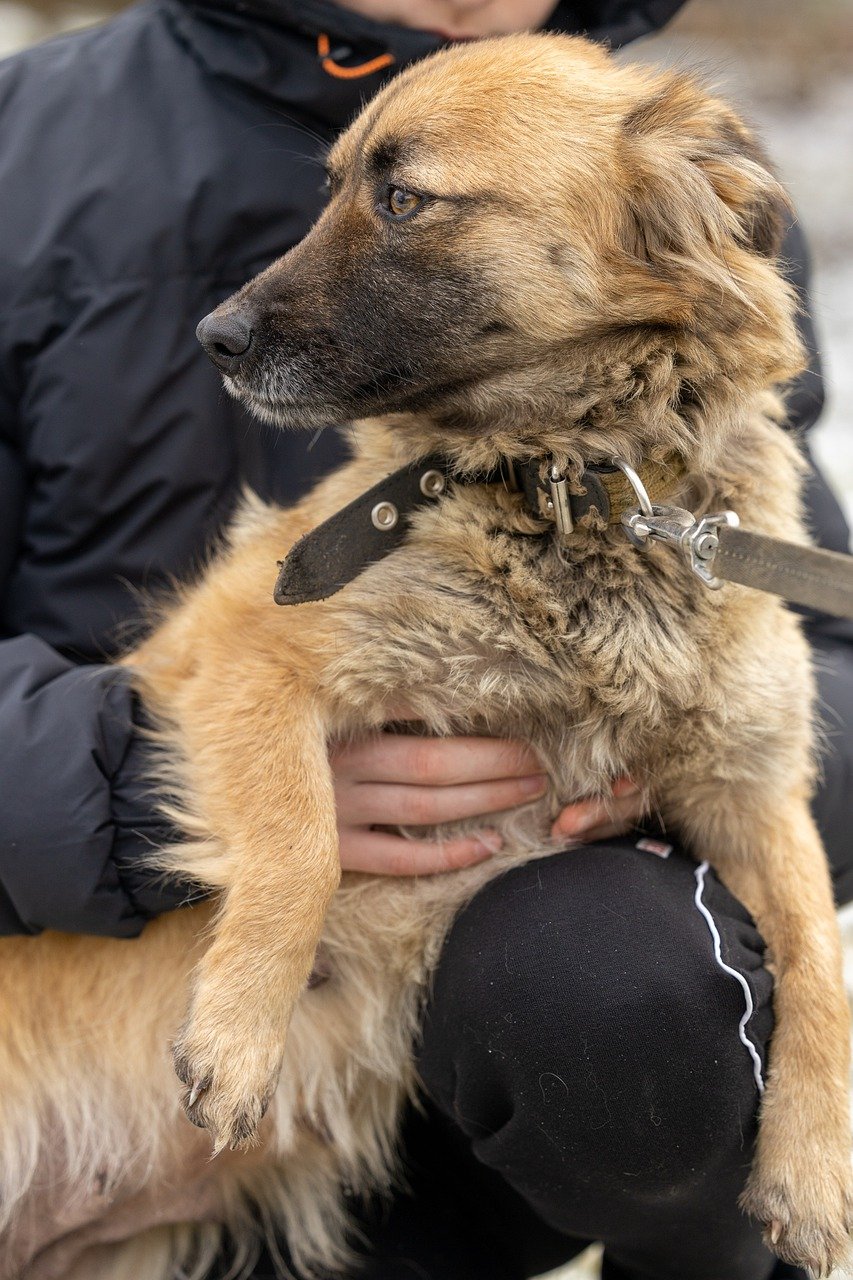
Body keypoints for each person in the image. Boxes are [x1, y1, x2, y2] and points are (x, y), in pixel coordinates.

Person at [0, 0, 851, 1276]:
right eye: (355, 192)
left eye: (402, 201)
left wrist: (644, 798)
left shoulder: (649, 158)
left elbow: (822, 661)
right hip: (85, 997)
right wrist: (120, 784)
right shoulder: (31, 139)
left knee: (637, 978)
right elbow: (257, 663)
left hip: (431, 1127)